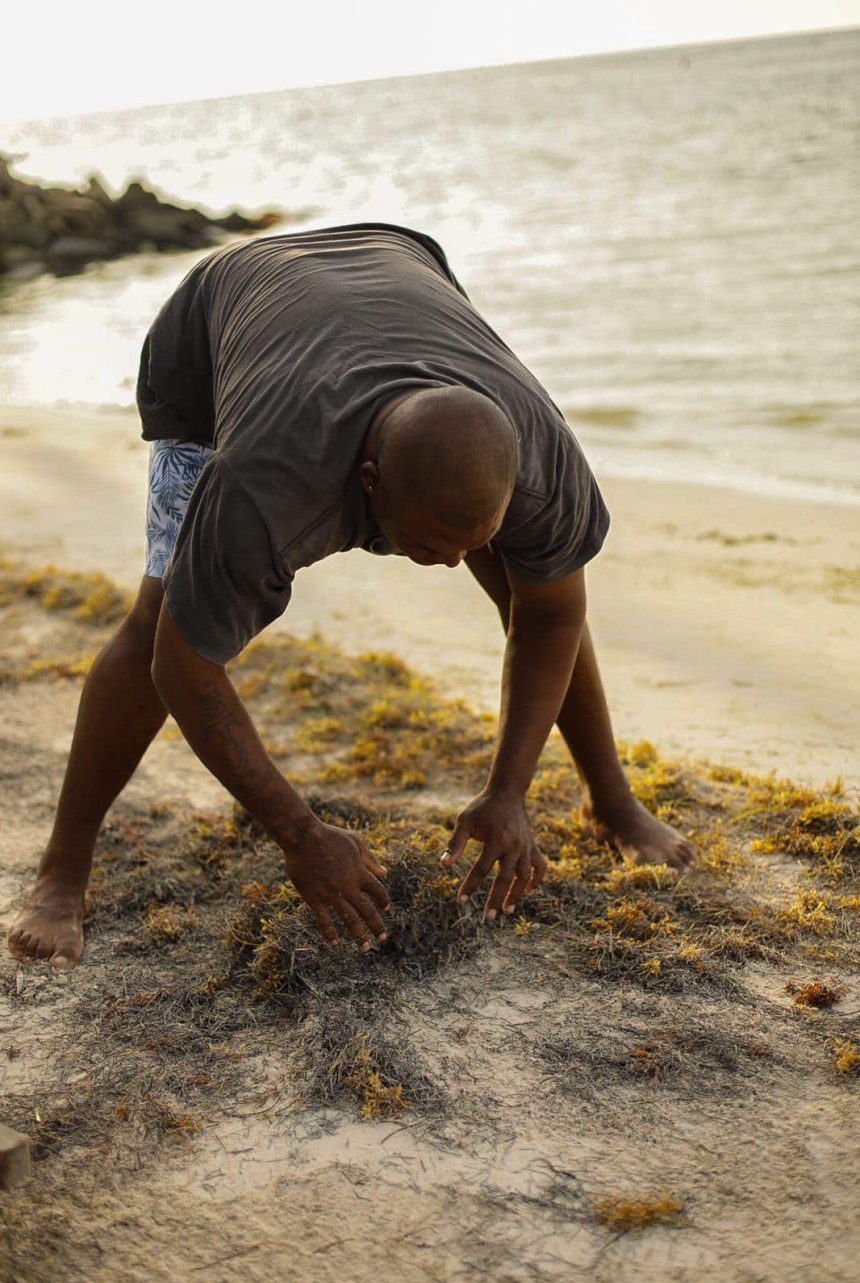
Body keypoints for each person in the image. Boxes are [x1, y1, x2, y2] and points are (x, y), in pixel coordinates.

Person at [7, 222, 695, 970]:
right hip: (212, 328)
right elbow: (181, 665)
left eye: (472, 540)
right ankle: (61, 871)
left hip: (393, 261)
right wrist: (300, 834)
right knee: (158, 618)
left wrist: (510, 791)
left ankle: (612, 800)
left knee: (531, 587)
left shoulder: (542, 461)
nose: (449, 565)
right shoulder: (262, 487)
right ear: (368, 486)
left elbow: (554, 615)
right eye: (431, 545)